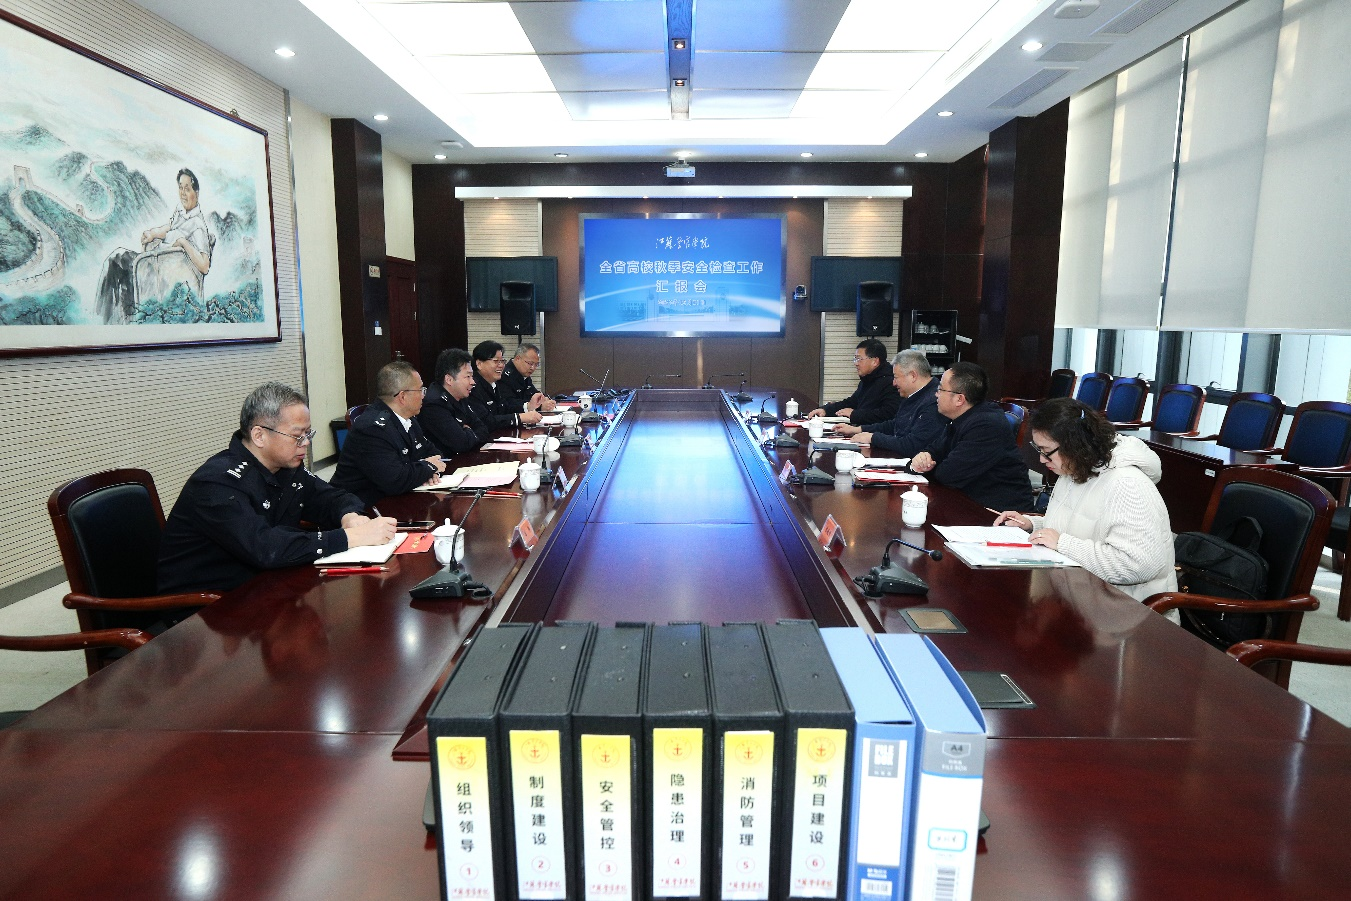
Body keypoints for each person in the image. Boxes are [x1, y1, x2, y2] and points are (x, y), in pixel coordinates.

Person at [157, 382, 397, 594]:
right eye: (297, 435)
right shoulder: (217, 483)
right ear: (259, 436)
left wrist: (349, 516)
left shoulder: (286, 469)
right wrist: (349, 537)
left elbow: (332, 496)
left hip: (266, 586)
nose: (306, 443)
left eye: (308, 433)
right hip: (206, 608)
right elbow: (265, 547)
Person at [993, 398, 1177, 602]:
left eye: (1046, 451)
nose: (1042, 460)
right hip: (1080, 594)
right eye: (1039, 450)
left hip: (1126, 610)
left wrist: (1062, 544)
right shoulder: (1074, 469)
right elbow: (1079, 525)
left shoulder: (1127, 484)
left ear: (1074, 445)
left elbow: (1138, 566)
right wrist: (1032, 525)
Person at [95, 167, 213, 324]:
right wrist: (153, 233)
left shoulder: (198, 226)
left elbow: (204, 266)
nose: (183, 193)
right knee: (116, 263)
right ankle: (112, 319)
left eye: (187, 189)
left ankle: (103, 318)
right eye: (180, 188)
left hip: (159, 273)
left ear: (196, 192)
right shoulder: (181, 211)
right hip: (153, 263)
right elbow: (170, 228)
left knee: (116, 260)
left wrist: (183, 243)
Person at [910, 361, 1033, 511]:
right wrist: (922, 459)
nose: (936, 394)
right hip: (968, 501)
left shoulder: (986, 426)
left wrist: (928, 466)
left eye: (940, 389)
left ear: (959, 399)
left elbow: (948, 475)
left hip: (1000, 512)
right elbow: (934, 450)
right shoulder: (962, 418)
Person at [331, 361, 447, 505]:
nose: (424, 395)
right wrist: (428, 467)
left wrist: (429, 471)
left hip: (395, 497)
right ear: (402, 396)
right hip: (359, 506)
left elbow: (434, 453)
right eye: (420, 390)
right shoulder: (372, 429)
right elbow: (395, 480)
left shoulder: (408, 418)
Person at [835, 349, 943, 455]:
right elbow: (895, 425)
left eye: (896, 377)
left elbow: (912, 445)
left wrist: (873, 438)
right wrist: (857, 429)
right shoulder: (913, 394)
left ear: (913, 376)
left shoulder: (934, 402)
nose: (894, 383)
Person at [805, 338, 901, 426]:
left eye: (859, 359)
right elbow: (851, 402)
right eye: (855, 359)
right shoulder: (868, 379)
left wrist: (855, 414)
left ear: (875, 362)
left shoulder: (891, 382)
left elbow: (888, 414)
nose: (856, 363)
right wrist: (825, 410)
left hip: (874, 435)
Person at [419, 347, 494, 457]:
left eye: (472, 376)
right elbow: (462, 444)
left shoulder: (460, 396)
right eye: (468, 376)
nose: (473, 382)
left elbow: (483, 428)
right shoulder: (434, 405)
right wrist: (470, 432)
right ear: (449, 379)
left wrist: (467, 431)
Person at [467, 340, 543, 429]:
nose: (501, 365)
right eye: (496, 361)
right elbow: (486, 421)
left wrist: (528, 407)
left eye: (502, 361)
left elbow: (504, 409)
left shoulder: (493, 384)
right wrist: (519, 418)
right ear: (479, 364)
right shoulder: (472, 387)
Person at [500, 343, 556, 413]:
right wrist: (539, 407)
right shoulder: (504, 376)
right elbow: (509, 404)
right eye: (530, 363)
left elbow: (532, 393)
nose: (533, 368)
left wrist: (544, 399)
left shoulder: (524, 374)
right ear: (517, 359)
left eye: (536, 364)